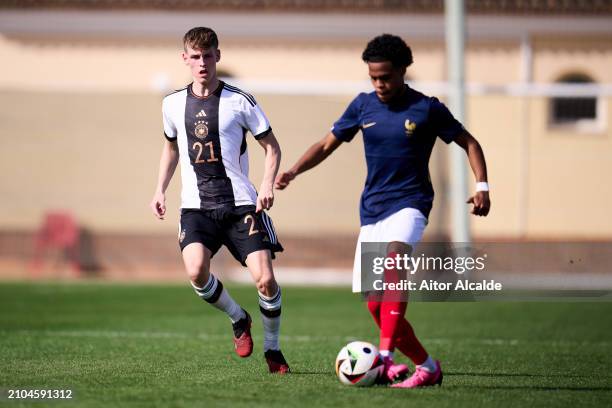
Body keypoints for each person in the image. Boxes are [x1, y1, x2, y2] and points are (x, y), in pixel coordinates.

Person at [275, 34, 490, 387]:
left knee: (395, 260)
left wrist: (482, 186)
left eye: (386, 77)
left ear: (403, 71)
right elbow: (327, 144)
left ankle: (385, 356)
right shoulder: (362, 106)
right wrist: (295, 171)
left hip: (411, 203)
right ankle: (427, 366)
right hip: (372, 211)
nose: (379, 84)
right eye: (373, 77)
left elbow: (470, 142)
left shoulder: (427, 108)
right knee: (376, 306)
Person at [150, 27, 289, 374]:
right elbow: (170, 149)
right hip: (196, 207)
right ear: (185, 59)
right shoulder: (171, 104)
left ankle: (273, 350)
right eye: (195, 57)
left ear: (218, 56)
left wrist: (267, 184)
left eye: (208, 55)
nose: (202, 63)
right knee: (197, 272)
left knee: (266, 281)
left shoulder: (240, 100)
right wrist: (159, 189)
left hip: (242, 204)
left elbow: (272, 146)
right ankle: (238, 318)